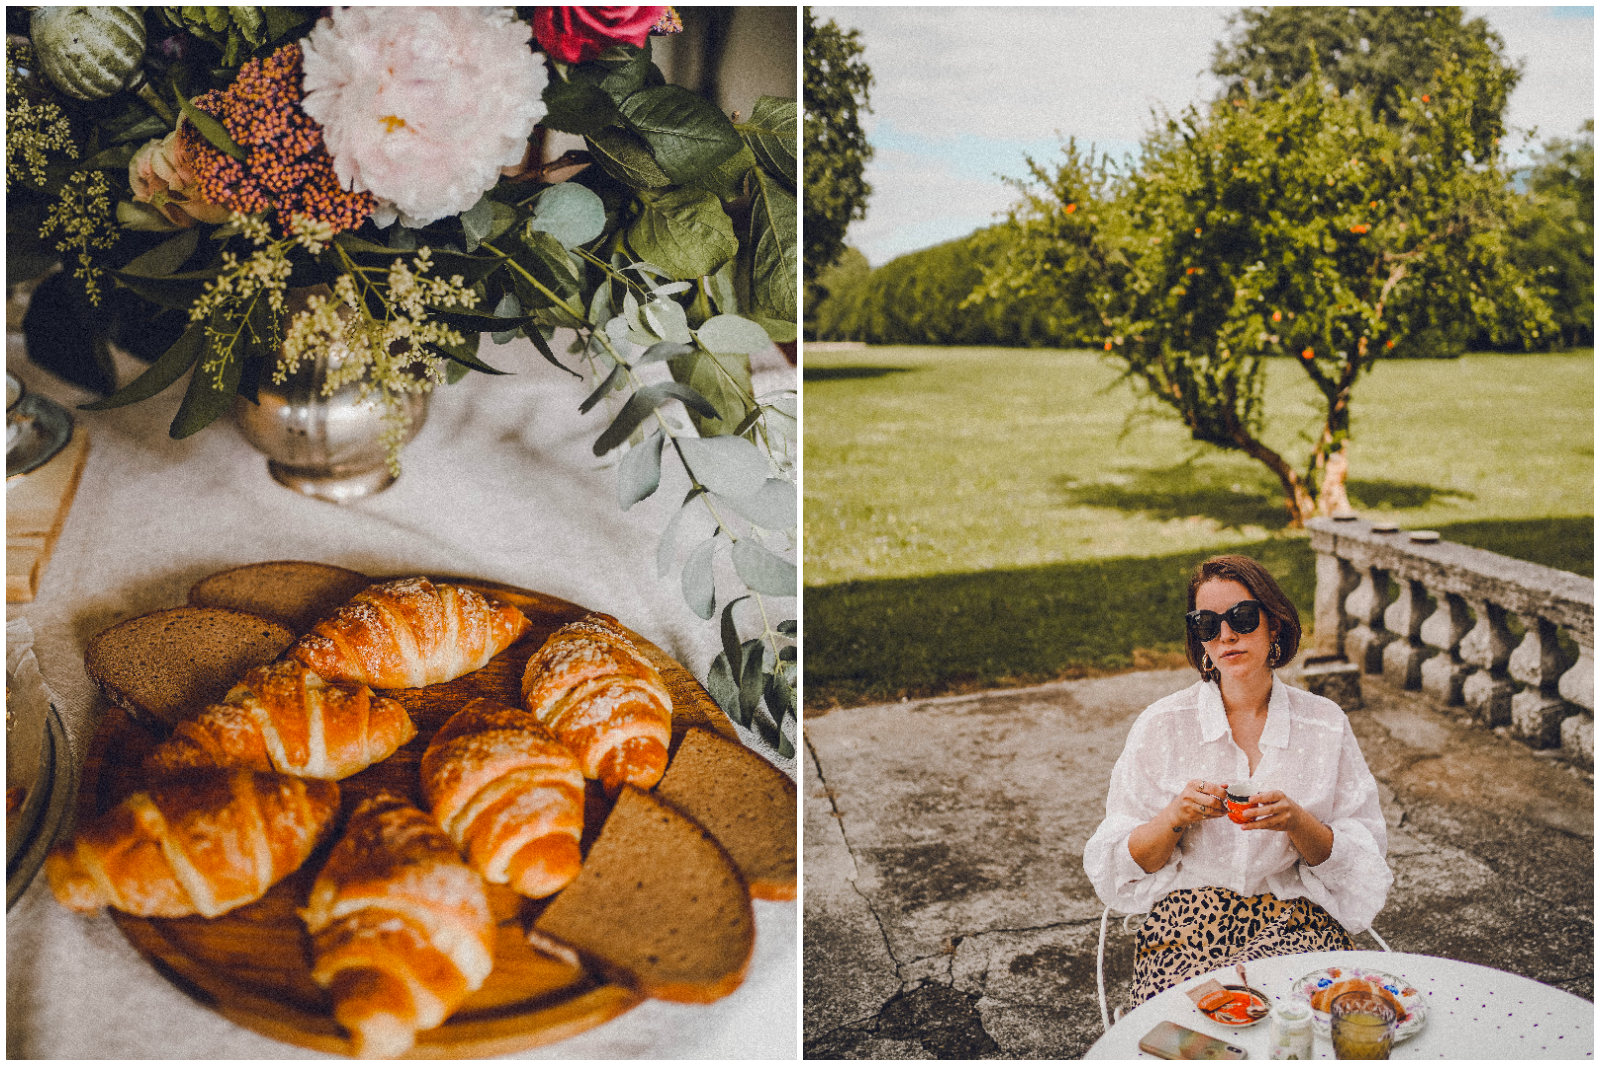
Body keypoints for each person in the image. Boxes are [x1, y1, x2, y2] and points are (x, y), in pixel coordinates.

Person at [1083, 554, 1391, 1006]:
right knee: (1193, 1038)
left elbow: (1360, 856)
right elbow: (1125, 862)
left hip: (1297, 915)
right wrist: (1175, 815)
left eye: (1242, 618)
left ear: (1275, 626)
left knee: (1307, 1026)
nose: (1226, 634)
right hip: (1186, 920)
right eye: (1207, 623)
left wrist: (1296, 821)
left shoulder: (1323, 724)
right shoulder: (1163, 724)